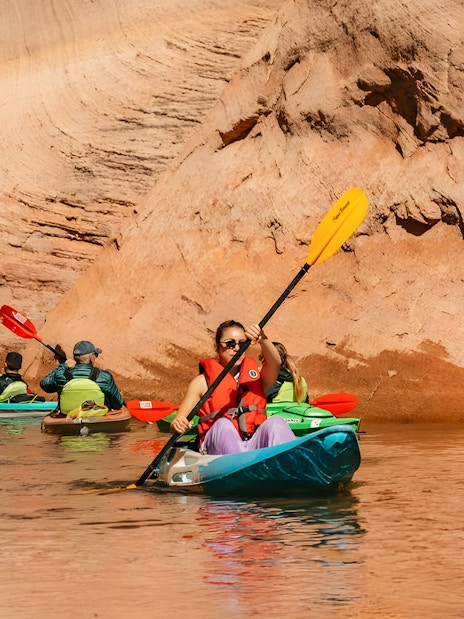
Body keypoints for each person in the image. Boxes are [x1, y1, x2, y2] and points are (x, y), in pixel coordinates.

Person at [170, 320, 296, 455]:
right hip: (216, 448)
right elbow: (175, 425)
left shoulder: (258, 377)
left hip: (252, 443)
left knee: (276, 422)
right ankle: (241, 468)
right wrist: (178, 424)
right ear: (217, 346)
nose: (236, 348)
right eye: (230, 343)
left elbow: (275, 362)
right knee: (223, 425)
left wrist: (262, 338)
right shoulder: (201, 383)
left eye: (242, 344)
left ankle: (294, 463)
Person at [40, 340, 125, 416]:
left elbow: (44, 384)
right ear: (92, 357)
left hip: (67, 418)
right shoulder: (105, 377)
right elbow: (117, 405)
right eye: (95, 355)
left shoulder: (61, 376)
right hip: (98, 417)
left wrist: (63, 365)